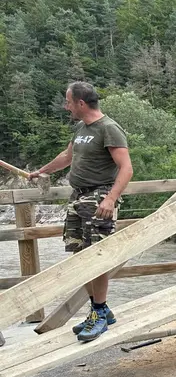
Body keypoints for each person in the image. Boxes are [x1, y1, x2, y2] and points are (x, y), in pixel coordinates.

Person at [29, 81, 133, 342]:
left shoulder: (109, 128)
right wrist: (42, 171)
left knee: (96, 257)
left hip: (99, 197)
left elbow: (127, 168)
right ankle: (101, 311)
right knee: (79, 257)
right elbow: (67, 156)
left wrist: (110, 199)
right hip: (78, 197)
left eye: (68, 102)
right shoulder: (81, 128)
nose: (66, 106)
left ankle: (98, 312)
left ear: (81, 103)